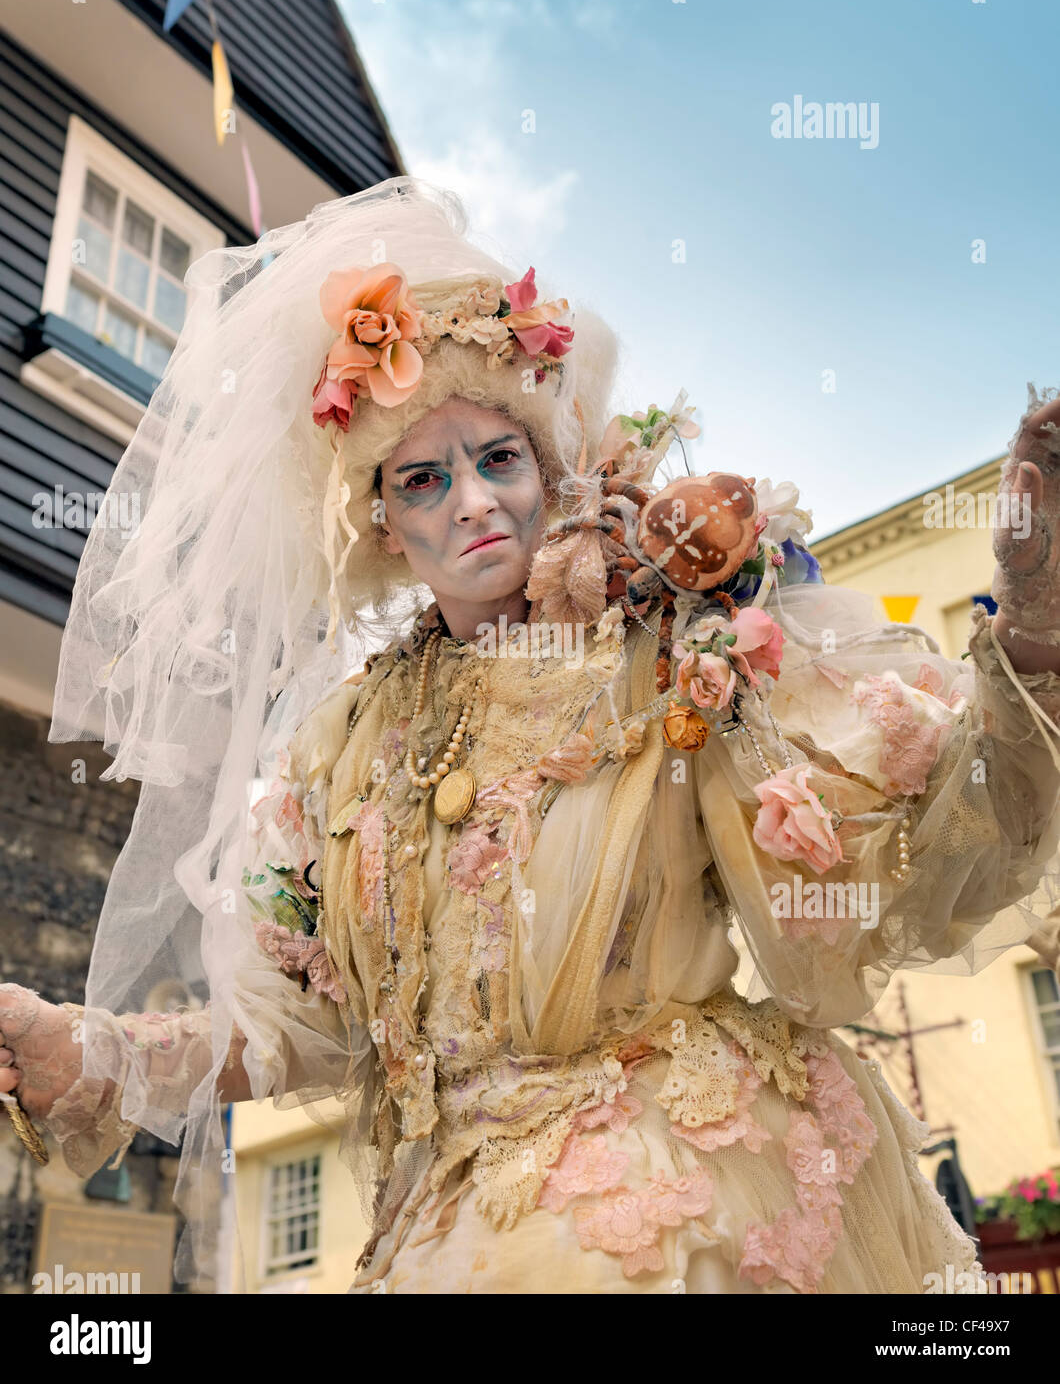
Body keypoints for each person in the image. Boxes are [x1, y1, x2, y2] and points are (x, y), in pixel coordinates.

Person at [1, 178, 1059, 1295]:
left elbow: (908, 853)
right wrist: (96, 1057)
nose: (471, 501)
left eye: (498, 459)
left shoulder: (671, 651)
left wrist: (1032, 644)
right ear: (384, 523)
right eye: (424, 477)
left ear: (546, 470)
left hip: (672, 1185)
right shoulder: (340, 744)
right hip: (445, 1214)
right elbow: (298, 1020)